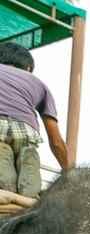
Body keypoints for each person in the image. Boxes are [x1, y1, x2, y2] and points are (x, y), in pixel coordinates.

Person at [0, 42, 70, 199]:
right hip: (26, 132)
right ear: (28, 68)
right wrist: (68, 172)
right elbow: (56, 141)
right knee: (27, 155)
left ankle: (3, 167)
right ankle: (28, 164)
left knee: (4, 180)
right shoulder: (40, 84)